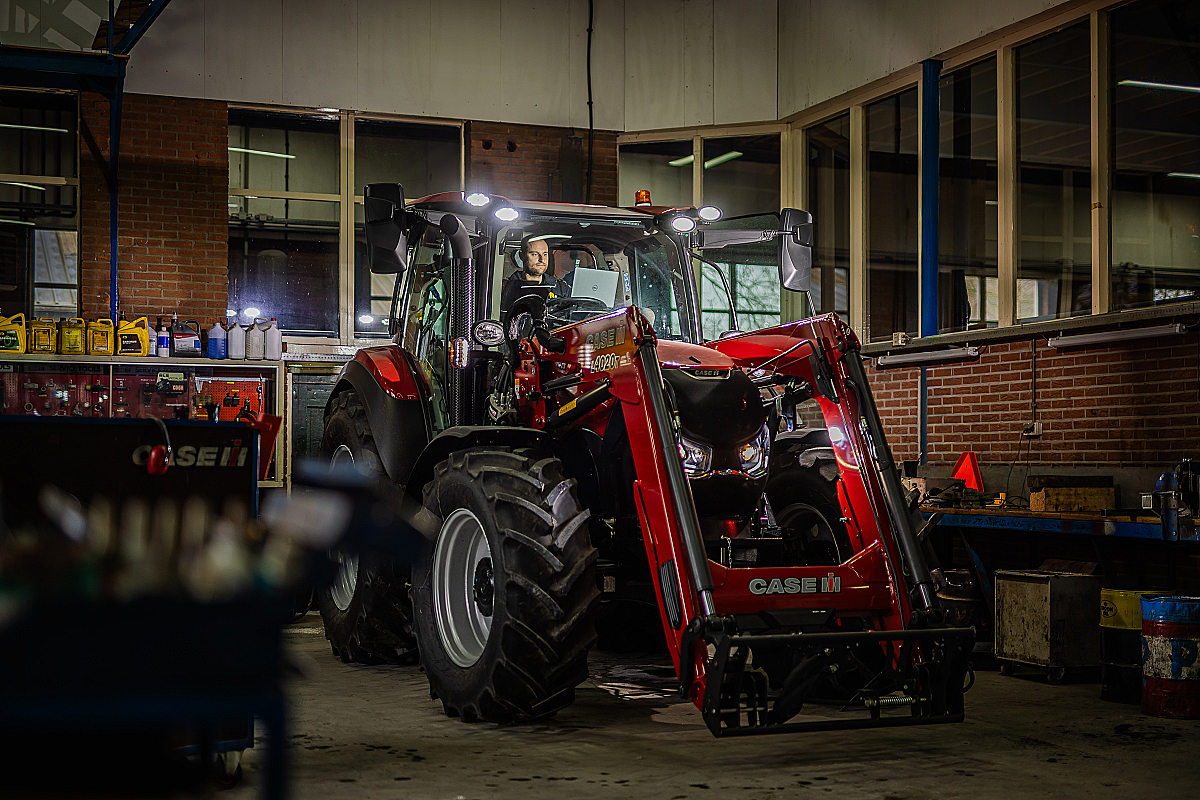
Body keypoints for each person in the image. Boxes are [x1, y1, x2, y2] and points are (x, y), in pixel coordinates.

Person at [500, 235, 564, 311]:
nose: (542, 260)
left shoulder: (560, 287)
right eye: (535, 254)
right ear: (522, 256)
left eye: (545, 254)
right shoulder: (504, 288)